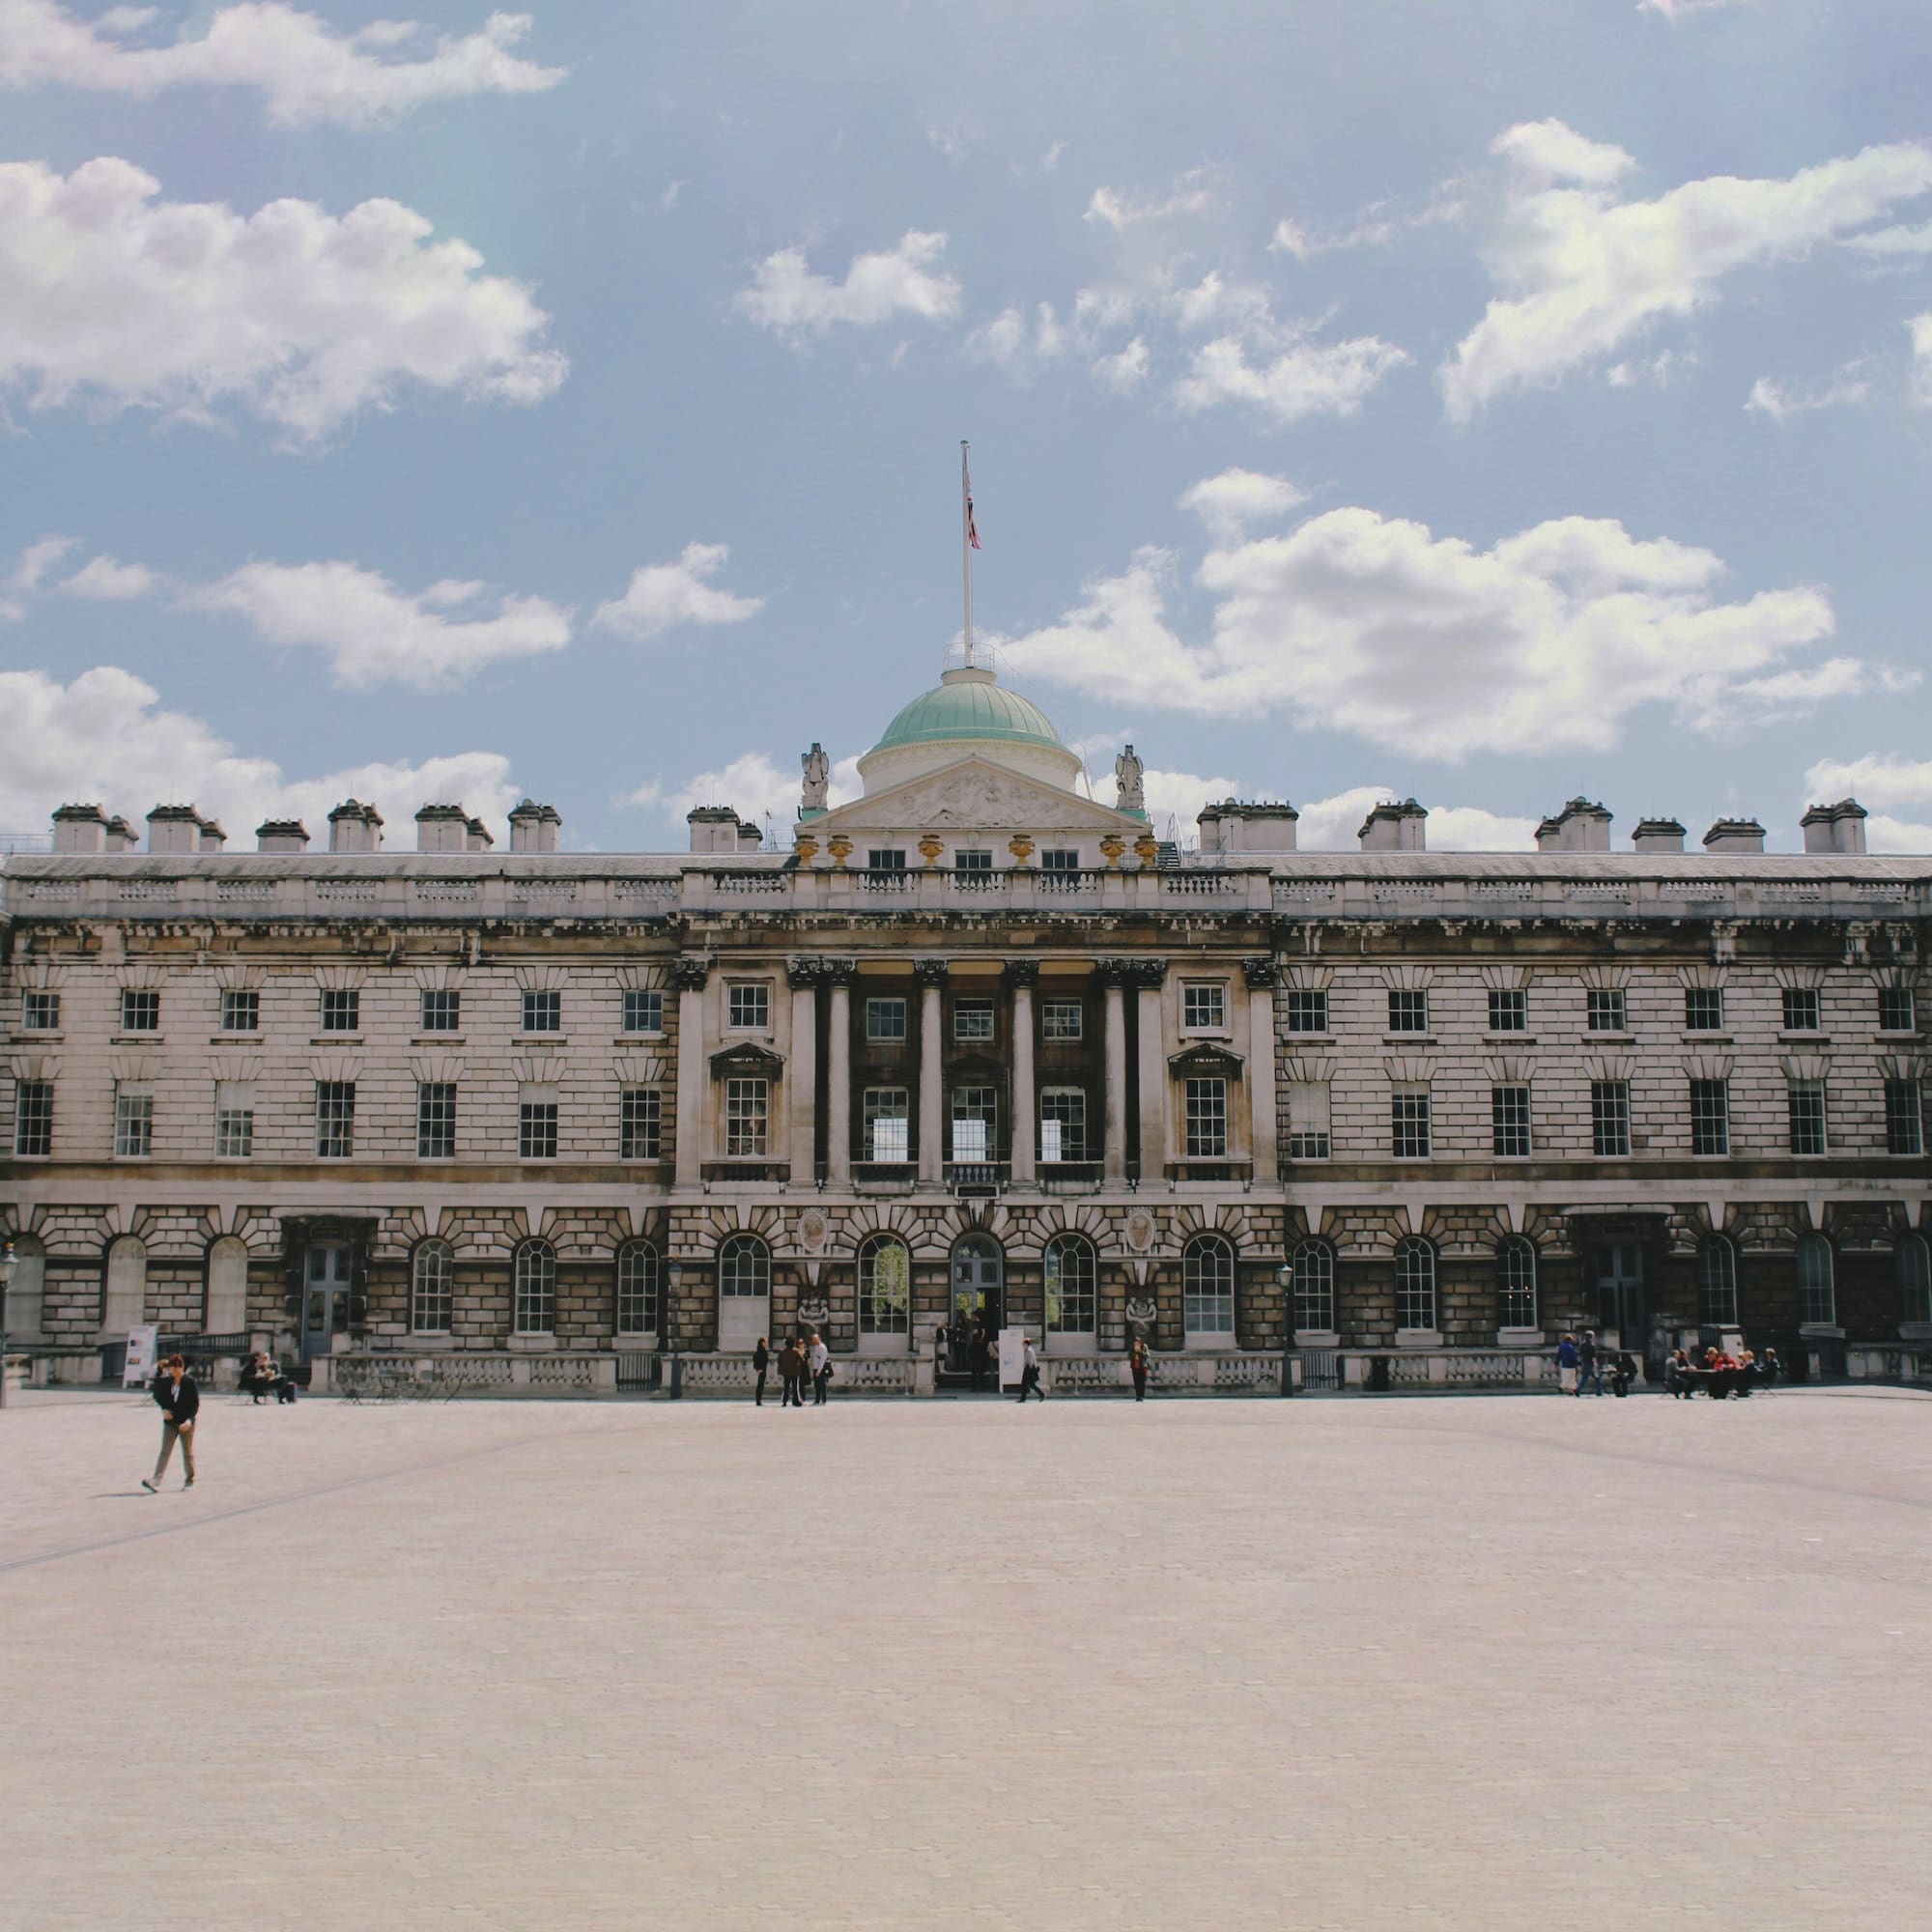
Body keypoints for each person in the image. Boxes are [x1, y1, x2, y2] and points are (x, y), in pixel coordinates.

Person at [142, 1353, 199, 1492]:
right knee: (165, 1451)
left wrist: (189, 1420)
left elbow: (195, 1404)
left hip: (185, 1422)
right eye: (170, 1369)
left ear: (180, 1367)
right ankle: (156, 1480)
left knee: (187, 1453)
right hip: (170, 1422)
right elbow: (157, 1395)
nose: (171, 1372)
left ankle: (190, 1480)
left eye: (173, 1369)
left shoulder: (190, 1382)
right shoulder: (168, 1382)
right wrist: (163, 1409)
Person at [1015, 1335, 1044, 1404]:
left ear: (1026, 1344)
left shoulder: (1029, 1351)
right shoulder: (1028, 1350)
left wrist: (1029, 1370)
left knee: (1024, 1384)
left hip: (1028, 1368)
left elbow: (1030, 1361)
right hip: (1029, 1368)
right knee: (1031, 1384)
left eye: (1023, 1344)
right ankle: (1041, 1394)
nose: (1023, 1346)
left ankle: (1023, 1398)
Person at [777, 1337, 803, 1408]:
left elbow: (779, 1360)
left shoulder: (782, 1351)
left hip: (786, 1371)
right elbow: (802, 1360)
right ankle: (795, 1401)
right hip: (795, 1371)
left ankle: (784, 1401)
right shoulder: (796, 1351)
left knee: (786, 1387)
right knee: (795, 1387)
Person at [1577, 1329, 1605, 1396]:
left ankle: (1578, 1390)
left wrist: (1582, 1364)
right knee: (1597, 1377)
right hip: (1591, 1364)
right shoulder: (1592, 1345)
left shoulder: (1582, 1345)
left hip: (1585, 1363)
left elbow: (1581, 1355)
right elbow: (1593, 1356)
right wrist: (1595, 1364)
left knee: (1584, 1378)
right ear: (1592, 1337)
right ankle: (1599, 1391)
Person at [809, 1331, 831, 1406]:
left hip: (820, 1369)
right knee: (817, 1385)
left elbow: (822, 1360)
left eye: (814, 1339)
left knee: (821, 1385)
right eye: (813, 1340)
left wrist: (819, 1371)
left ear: (818, 1339)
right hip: (816, 1368)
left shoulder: (822, 1347)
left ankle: (823, 1399)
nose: (813, 1341)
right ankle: (817, 1399)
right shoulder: (816, 1347)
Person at [1555, 1332, 1579, 1396]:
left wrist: (1556, 1364)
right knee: (1571, 1378)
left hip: (1564, 1365)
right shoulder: (1570, 1347)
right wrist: (1578, 1363)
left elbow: (1559, 1356)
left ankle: (1572, 1391)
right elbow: (1573, 1357)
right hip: (1571, 1365)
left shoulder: (1561, 1346)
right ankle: (1561, 1387)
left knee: (1568, 1378)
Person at [1129, 1334, 1151, 1403]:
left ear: (1140, 1342)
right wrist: (1134, 1353)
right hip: (1135, 1367)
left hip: (1142, 1367)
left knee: (1142, 1382)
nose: (1136, 1344)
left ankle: (1141, 1396)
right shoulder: (1132, 1347)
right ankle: (1137, 1396)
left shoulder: (1144, 1346)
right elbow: (1129, 1356)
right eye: (1135, 1343)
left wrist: (1139, 1352)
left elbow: (1147, 1355)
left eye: (1138, 1343)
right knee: (1136, 1382)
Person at [752, 1336, 770, 1407]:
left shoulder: (761, 1350)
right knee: (760, 1385)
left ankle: (759, 1400)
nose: (767, 1343)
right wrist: (758, 1369)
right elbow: (756, 1359)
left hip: (763, 1369)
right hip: (762, 1369)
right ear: (762, 1343)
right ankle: (758, 1400)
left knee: (761, 1385)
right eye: (766, 1342)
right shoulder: (761, 1351)